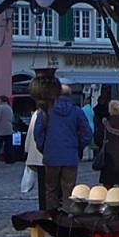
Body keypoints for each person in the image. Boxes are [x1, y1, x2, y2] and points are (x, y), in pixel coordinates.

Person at [36, 81, 91, 212]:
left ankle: (51, 216)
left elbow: (38, 132)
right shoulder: (77, 111)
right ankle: (66, 217)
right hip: (70, 155)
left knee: (51, 189)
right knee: (69, 189)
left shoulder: (46, 112)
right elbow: (87, 133)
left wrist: (43, 147)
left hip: (51, 155)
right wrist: (78, 147)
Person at [96, 97, 119, 189]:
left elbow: (97, 140)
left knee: (108, 185)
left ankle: (110, 201)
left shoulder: (105, 123)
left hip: (108, 158)